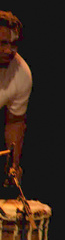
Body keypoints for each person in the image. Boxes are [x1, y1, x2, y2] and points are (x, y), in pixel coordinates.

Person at [0, 11, 30, 185]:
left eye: (13, 44)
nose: (9, 50)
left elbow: (15, 122)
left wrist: (14, 166)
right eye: (2, 43)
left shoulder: (21, 74)